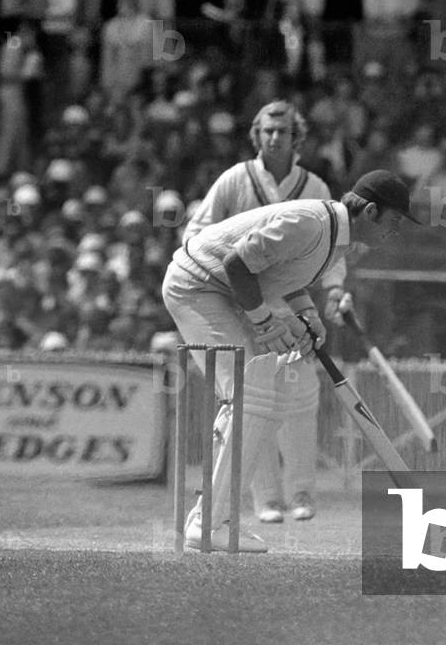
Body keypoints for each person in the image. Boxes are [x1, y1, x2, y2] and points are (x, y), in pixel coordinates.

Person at [163, 169, 419, 552]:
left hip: (220, 291)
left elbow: (279, 272)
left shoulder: (332, 235)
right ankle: (208, 522)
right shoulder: (311, 224)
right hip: (196, 286)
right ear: (369, 211)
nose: (394, 232)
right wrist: (266, 321)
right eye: (394, 221)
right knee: (250, 393)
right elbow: (237, 264)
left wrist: (305, 313)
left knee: (265, 400)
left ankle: (217, 515)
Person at [180, 100, 349, 525]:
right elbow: (195, 233)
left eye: (283, 131)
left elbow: (332, 251)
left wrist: (334, 291)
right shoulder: (235, 180)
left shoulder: (313, 187)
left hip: (288, 300)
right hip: (235, 298)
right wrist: (225, 273)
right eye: (267, 131)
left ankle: (302, 491)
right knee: (253, 396)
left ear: (298, 138)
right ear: (257, 135)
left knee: (300, 397)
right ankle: (266, 498)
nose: (275, 138)